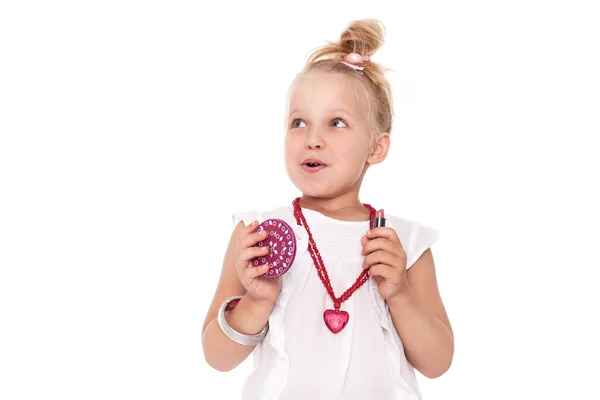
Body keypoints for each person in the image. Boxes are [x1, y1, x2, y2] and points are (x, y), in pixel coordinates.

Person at [201, 18, 454, 400]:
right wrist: (256, 301)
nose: (313, 139)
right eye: (298, 122)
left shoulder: (403, 243)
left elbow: (437, 363)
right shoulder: (259, 233)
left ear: (377, 148)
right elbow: (217, 357)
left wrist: (399, 294)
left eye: (336, 123)